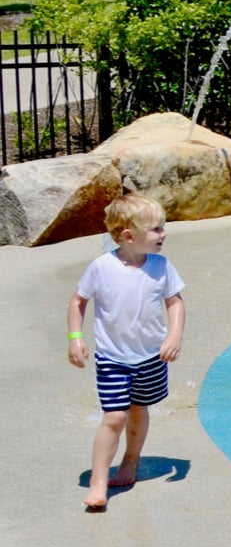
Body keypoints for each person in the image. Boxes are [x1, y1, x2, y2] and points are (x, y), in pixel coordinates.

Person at [68, 193, 185, 512]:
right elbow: (78, 301)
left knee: (137, 409)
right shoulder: (102, 267)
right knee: (114, 415)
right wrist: (75, 337)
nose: (163, 234)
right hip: (112, 357)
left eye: (163, 227)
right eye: (156, 229)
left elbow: (175, 302)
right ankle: (99, 481)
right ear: (128, 235)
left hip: (151, 356)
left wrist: (174, 335)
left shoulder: (161, 266)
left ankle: (131, 460)